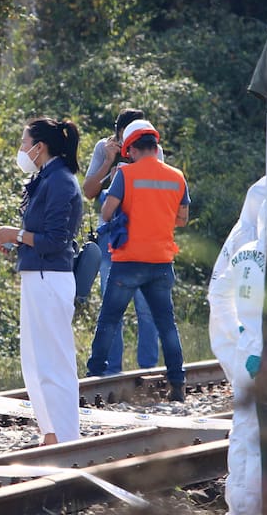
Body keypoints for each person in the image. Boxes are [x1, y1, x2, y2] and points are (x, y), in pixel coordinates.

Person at [0, 117, 83, 445]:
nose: (22, 149)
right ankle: (50, 431)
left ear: (40, 147)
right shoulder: (46, 179)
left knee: (55, 362)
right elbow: (38, 238)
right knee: (35, 360)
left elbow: (55, 241)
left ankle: (66, 436)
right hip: (38, 277)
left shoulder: (61, 182)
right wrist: (12, 243)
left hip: (50, 279)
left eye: (25, 143)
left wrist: (16, 234)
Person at [85, 120, 190, 401]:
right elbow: (183, 218)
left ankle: (94, 376)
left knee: (109, 319)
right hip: (160, 262)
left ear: (130, 149)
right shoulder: (177, 176)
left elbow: (106, 214)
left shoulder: (126, 175)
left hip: (128, 260)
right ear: (156, 147)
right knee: (166, 324)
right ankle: (177, 384)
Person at [207, 176, 267, 515]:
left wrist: (239, 341)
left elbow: (219, 296)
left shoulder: (243, 251)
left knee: (245, 432)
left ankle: (242, 507)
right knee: (263, 438)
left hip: (249, 353)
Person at [82, 108, 160, 373]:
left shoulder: (152, 148)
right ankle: (110, 371)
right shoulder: (104, 149)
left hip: (146, 239)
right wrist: (108, 162)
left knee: (147, 308)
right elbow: (89, 191)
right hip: (112, 240)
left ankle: (148, 369)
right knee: (112, 307)